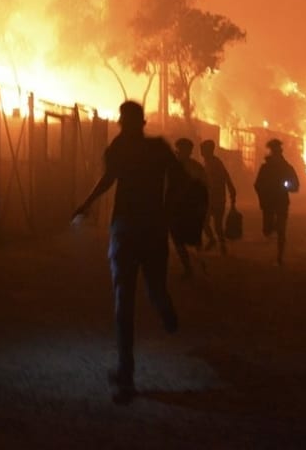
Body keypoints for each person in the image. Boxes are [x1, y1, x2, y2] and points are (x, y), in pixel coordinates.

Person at [72, 101, 182, 403]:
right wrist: (168, 209)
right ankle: (164, 309)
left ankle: (126, 374)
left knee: (124, 300)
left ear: (123, 122)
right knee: (155, 287)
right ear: (143, 122)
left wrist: (86, 204)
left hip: (126, 229)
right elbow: (180, 178)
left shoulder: (119, 149)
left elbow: (107, 181)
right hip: (153, 229)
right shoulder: (159, 148)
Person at [254, 138, 299, 266]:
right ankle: (275, 227)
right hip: (269, 203)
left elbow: (295, 186)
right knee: (267, 230)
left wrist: (288, 186)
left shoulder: (286, 168)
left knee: (281, 231)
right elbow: (257, 185)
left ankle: (279, 257)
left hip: (281, 202)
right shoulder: (266, 168)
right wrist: (262, 198)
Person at [170, 137, 208, 277]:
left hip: (190, 209)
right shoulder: (174, 167)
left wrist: (202, 208)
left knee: (191, 239)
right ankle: (190, 267)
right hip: (177, 209)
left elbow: (204, 189)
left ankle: (199, 264)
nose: (178, 152)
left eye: (180, 150)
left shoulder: (195, 168)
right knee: (178, 239)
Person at [199, 140, 237, 255]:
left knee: (217, 225)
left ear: (209, 150)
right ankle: (213, 241)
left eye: (203, 150)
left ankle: (221, 244)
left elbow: (226, 177)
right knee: (205, 222)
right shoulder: (207, 163)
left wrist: (232, 192)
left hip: (218, 199)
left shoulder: (216, 163)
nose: (201, 152)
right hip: (210, 199)